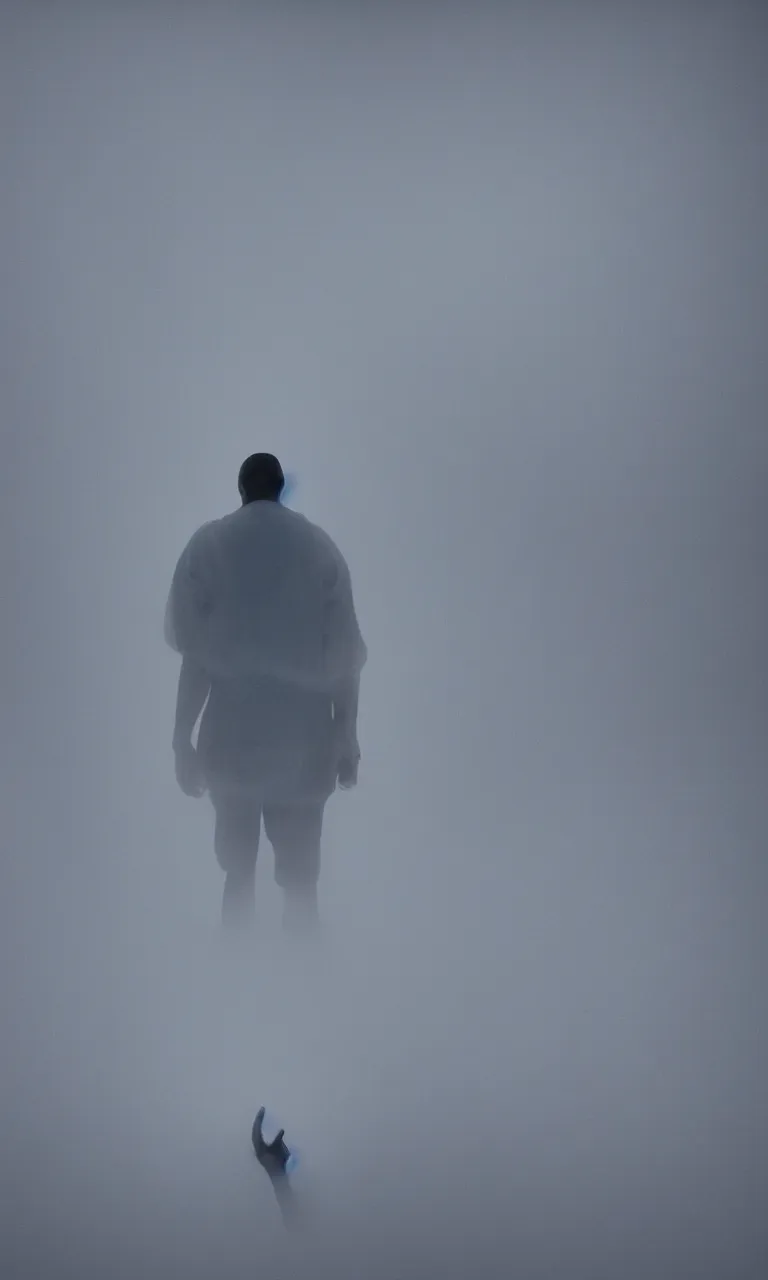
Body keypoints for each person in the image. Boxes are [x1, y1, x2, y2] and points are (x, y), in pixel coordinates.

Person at [164, 453, 366, 934]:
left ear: (241, 489)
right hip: (305, 739)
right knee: (301, 886)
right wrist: (346, 735)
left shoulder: (209, 546)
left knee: (237, 873)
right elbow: (343, 654)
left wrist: (181, 739)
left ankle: (237, 984)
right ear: (280, 489)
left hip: (233, 737)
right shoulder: (319, 548)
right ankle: (303, 987)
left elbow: (196, 657)